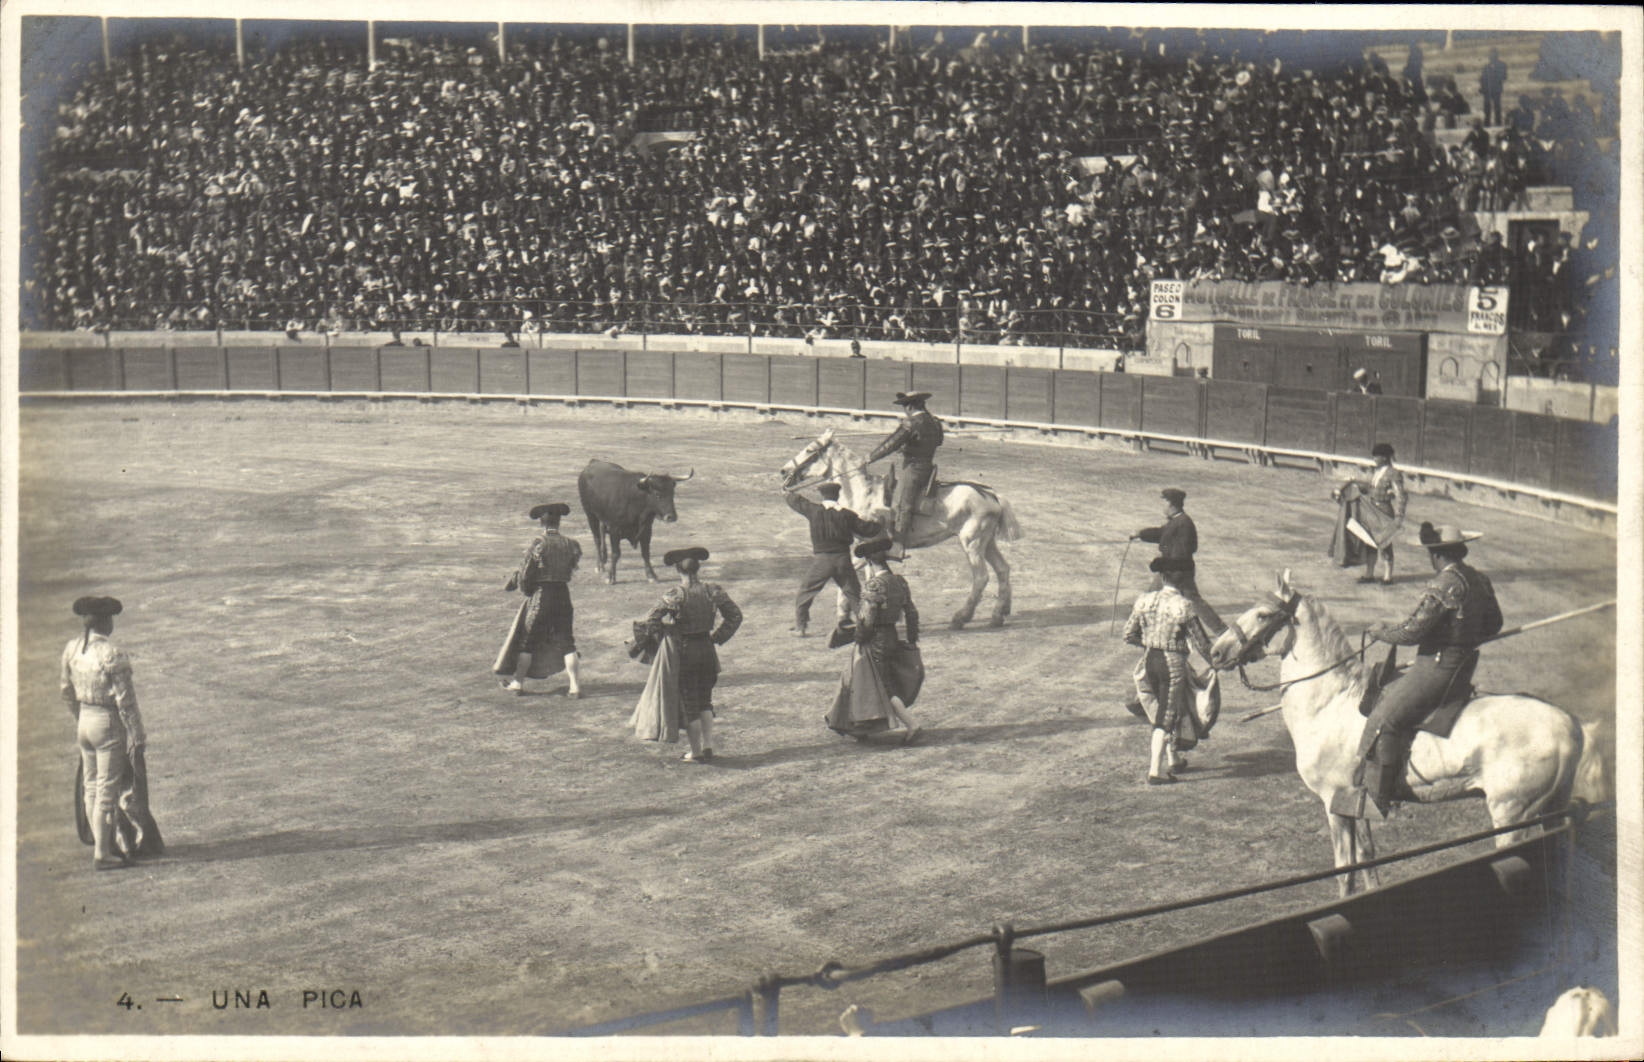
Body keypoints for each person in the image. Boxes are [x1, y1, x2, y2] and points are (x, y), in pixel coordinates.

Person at [1337, 523, 1502, 817]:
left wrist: (1381, 631)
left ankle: (1377, 799)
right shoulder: (1479, 579)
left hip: (1436, 667)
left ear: (1436, 555)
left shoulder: (1444, 584)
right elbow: (1495, 624)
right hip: (1461, 665)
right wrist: (1462, 634)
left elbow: (1412, 631)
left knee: (1382, 718)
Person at [60, 595, 163, 869]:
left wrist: (79, 717)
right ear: (105, 622)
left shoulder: (72, 649)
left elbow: (65, 690)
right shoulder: (112, 654)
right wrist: (137, 735)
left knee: (91, 786)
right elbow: (126, 702)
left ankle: (106, 846)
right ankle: (104, 854)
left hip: (84, 720)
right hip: (106, 723)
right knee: (107, 789)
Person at [632, 547, 742, 762]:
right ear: (699, 568)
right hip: (707, 650)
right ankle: (708, 746)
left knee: (690, 703)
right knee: (705, 700)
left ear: (677, 570)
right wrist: (717, 637)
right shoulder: (712, 590)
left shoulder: (675, 595)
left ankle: (696, 752)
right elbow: (735, 616)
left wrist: (667, 634)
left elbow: (650, 621)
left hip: (685, 651)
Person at [1122, 557, 1216, 785]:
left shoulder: (1145, 600)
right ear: (1184, 580)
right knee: (1168, 713)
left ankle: (1173, 759)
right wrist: (1218, 662)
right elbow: (1203, 644)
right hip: (1172, 664)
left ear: (1161, 577)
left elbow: (1129, 634)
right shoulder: (1183, 606)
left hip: (1149, 661)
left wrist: (1151, 642)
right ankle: (1156, 771)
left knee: (1163, 708)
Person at [826, 536, 922, 744]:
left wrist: (859, 638)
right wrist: (911, 640)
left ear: (869, 562)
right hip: (893, 636)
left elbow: (866, 619)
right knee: (882, 682)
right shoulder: (899, 582)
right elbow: (912, 613)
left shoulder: (874, 586)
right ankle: (861, 729)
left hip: (876, 640)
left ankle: (911, 723)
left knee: (878, 684)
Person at [495, 502, 583, 697]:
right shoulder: (571, 544)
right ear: (559, 523)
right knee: (568, 642)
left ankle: (517, 683)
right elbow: (571, 568)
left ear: (541, 523)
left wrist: (526, 590)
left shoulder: (538, 543)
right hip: (563, 595)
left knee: (528, 641)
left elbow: (526, 575)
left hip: (542, 595)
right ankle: (575, 688)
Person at [785, 482, 878, 636]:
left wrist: (787, 492)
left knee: (805, 592)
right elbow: (868, 530)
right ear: (838, 495)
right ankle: (867, 627)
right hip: (843, 559)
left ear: (822, 495)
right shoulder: (847, 515)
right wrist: (880, 522)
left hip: (822, 560)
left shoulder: (814, 510)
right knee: (854, 594)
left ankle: (800, 627)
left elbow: (797, 502)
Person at [1133, 488, 1225, 635]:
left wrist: (1164, 564)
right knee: (1151, 596)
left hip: (1179, 573)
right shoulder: (1176, 521)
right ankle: (1138, 628)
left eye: (1164, 502)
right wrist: (1141, 534)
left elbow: (1184, 552)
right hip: (1170, 570)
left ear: (1172, 504)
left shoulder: (1184, 524)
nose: (1162, 506)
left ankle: (1221, 631)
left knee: (1194, 602)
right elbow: (1161, 533)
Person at [866, 391, 944, 558]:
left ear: (909, 406)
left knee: (902, 505)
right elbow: (938, 441)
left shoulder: (911, 422)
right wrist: (911, 445)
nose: (904, 411)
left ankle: (897, 546)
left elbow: (891, 443)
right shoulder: (935, 422)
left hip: (913, 469)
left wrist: (870, 458)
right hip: (928, 466)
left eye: (904, 407)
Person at [1331, 442, 1407, 584]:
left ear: (1384, 458)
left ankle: (1387, 576)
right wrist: (1355, 485)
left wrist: (1399, 515)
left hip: (1384, 510)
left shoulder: (1394, 474)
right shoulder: (1377, 472)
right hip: (1372, 509)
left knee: (1385, 542)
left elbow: (1401, 496)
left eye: (1376, 457)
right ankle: (1369, 574)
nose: (1374, 459)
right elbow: (1371, 490)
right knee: (1369, 541)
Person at [1479, 48, 1508, 127]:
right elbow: (1483, 77)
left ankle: (1498, 122)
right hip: (1487, 89)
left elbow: (1504, 77)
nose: (1491, 57)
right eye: (1490, 55)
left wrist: (1495, 77)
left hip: (1496, 89)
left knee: (1497, 106)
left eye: (1493, 55)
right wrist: (1482, 85)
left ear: (1497, 56)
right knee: (1487, 106)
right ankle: (1487, 121)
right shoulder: (1486, 66)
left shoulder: (1502, 65)